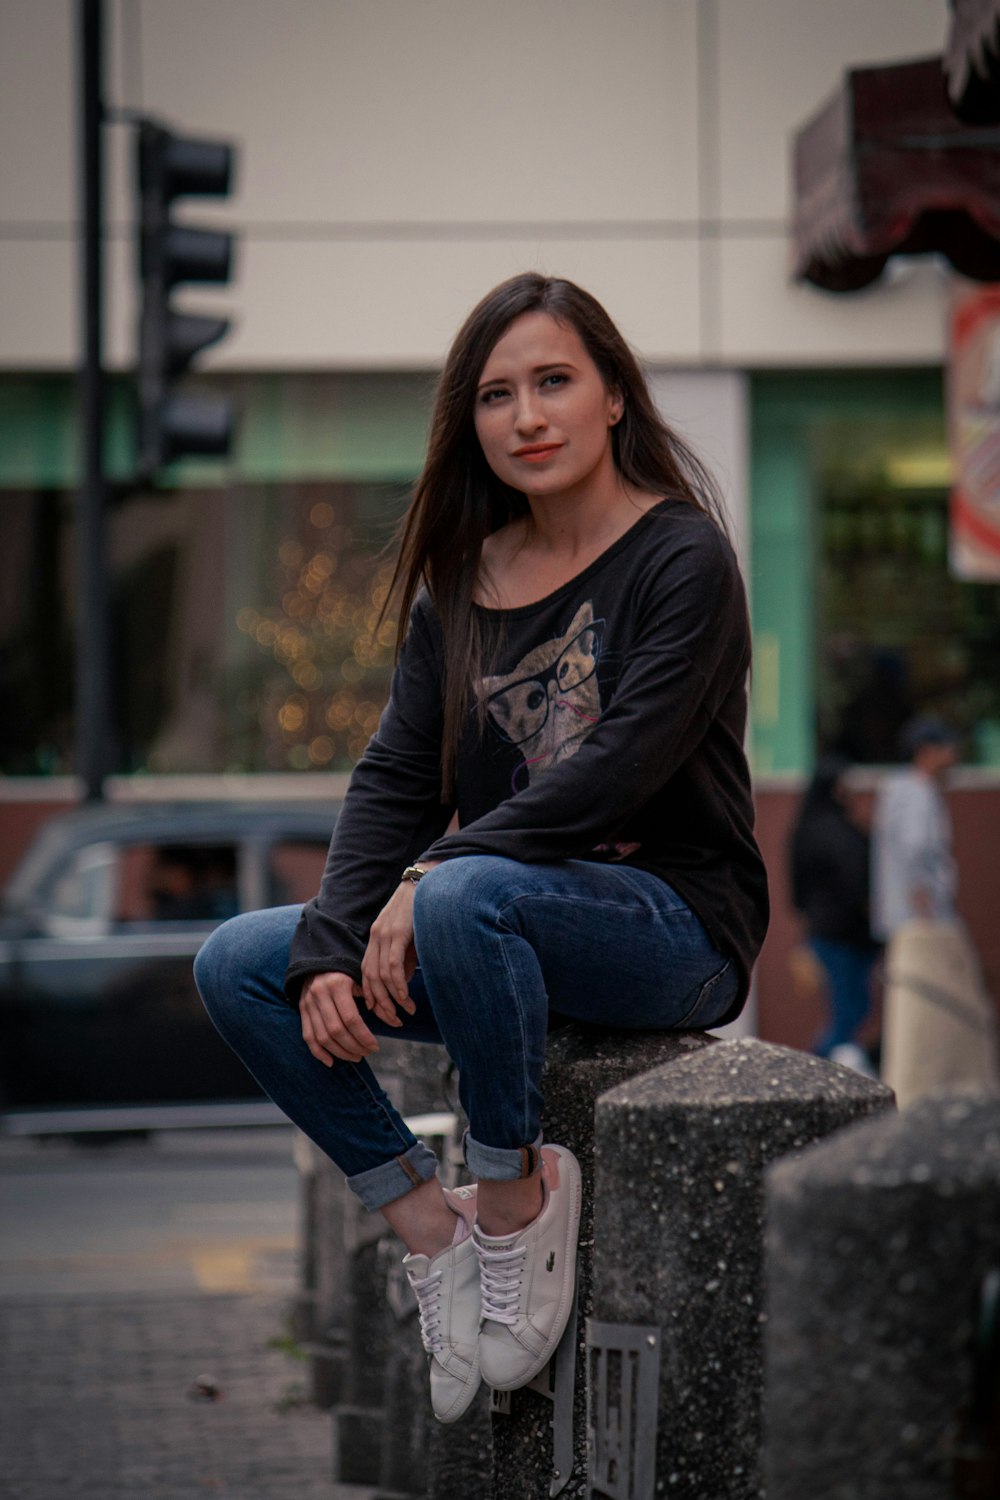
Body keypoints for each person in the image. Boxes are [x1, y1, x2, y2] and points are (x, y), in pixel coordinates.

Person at [193, 272, 769, 1425]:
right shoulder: (461, 585)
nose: (528, 416)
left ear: (613, 395)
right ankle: (425, 1221)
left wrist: (432, 875)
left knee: (465, 898)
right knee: (242, 964)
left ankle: (511, 1201)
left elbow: (620, 767)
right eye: (497, 395)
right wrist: (328, 947)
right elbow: (397, 778)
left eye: (554, 381)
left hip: (669, 929)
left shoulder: (680, 560)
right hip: (498, 924)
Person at [788, 755, 879, 1071]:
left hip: (830, 931)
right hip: (844, 933)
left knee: (853, 1009)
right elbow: (856, 879)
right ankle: (813, 1073)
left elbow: (797, 892)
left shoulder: (808, 826)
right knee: (849, 1012)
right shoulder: (835, 830)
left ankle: (818, 1072)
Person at [871, 715, 961, 942]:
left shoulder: (911, 790)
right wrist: (922, 897)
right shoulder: (915, 794)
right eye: (947, 748)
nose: (953, 755)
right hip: (919, 917)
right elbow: (914, 847)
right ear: (927, 751)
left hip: (914, 915)